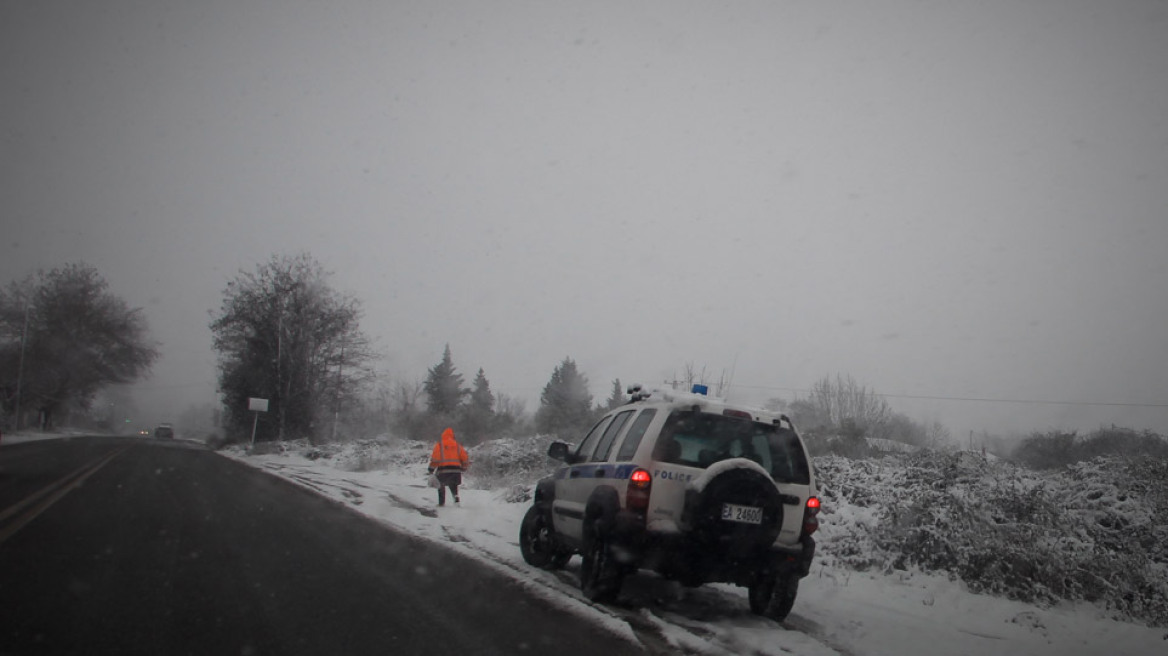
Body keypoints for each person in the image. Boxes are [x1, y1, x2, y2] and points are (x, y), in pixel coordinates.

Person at [428, 427, 469, 506]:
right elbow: (464, 458)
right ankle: (456, 499)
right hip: (456, 471)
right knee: (454, 486)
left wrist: (431, 468)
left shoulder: (440, 445)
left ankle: (441, 503)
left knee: (441, 485)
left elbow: (435, 459)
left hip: (443, 470)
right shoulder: (458, 446)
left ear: (443, 436)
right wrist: (464, 467)